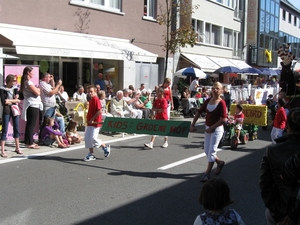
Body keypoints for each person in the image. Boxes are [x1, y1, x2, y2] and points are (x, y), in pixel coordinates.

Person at [260, 107, 300, 225]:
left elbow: (264, 185)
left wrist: (277, 213)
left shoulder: (273, 150)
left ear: (287, 126)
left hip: (277, 211)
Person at [190, 82, 227, 182]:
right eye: (214, 88)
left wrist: (213, 127)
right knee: (207, 151)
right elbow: (199, 112)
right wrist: (193, 124)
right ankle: (219, 162)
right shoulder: (207, 101)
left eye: (217, 88)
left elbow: (223, 119)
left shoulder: (222, 102)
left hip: (217, 129)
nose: (215, 90)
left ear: (221, 90)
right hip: (208, 128)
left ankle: (207, 174)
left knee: (212, 151)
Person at [83, 85, 110, 161]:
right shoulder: (91, 100)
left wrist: (92, 119)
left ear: (95, 92)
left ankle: (104, 146)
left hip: (95, 122)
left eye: (91, 92)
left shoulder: (96, 99)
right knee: (88, 138)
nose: (89, 93)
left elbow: (99, 111)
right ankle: (91, 154)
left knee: (93, 138)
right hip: (89, 122)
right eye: (88, 92)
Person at [20, 66, 43, 149]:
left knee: (30, 124)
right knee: (31, 124)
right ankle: (29, 142)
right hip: (32, 104)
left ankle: (28, 141)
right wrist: (38, 90)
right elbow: (37, 92)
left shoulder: (25, 82)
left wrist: (37, 90)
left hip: (32, 104)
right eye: (32, 72)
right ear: (28, 73)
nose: (33, 74)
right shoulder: (28, 82)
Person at [0, 75, 22, 157]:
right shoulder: (2, 88)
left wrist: (9, 100)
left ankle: (17, 147)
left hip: (14, 109)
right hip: (6, 110)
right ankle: (2, 150)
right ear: (9, 81)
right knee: (5, 129)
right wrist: (13, 100)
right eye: (14, 80)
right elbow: (3, 101)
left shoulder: (15, 88)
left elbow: (18, 99)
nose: (15, 82)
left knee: (16, 128)